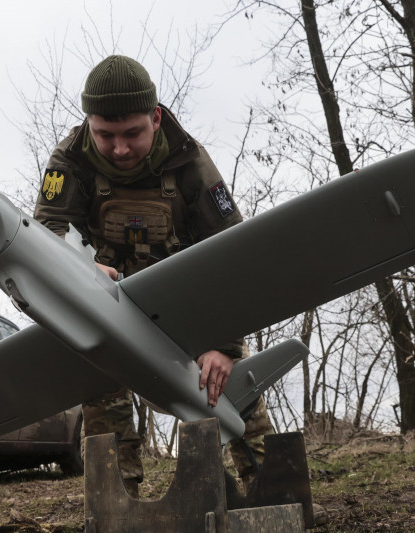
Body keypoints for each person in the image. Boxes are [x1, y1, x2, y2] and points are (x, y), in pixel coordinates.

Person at [32, 55, 277, 499]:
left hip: (187, 303)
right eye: (105, 135)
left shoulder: (189, 161)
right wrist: (77, 268)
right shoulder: (69, 162)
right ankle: (115, 508)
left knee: (233, 389)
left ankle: (272, 492)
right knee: (101, 397)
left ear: (156, 117)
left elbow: (236, 253)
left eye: (133, 134)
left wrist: (224, 345)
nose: (120, 149)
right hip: (108, 305)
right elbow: (44, 236)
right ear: (88, 123)